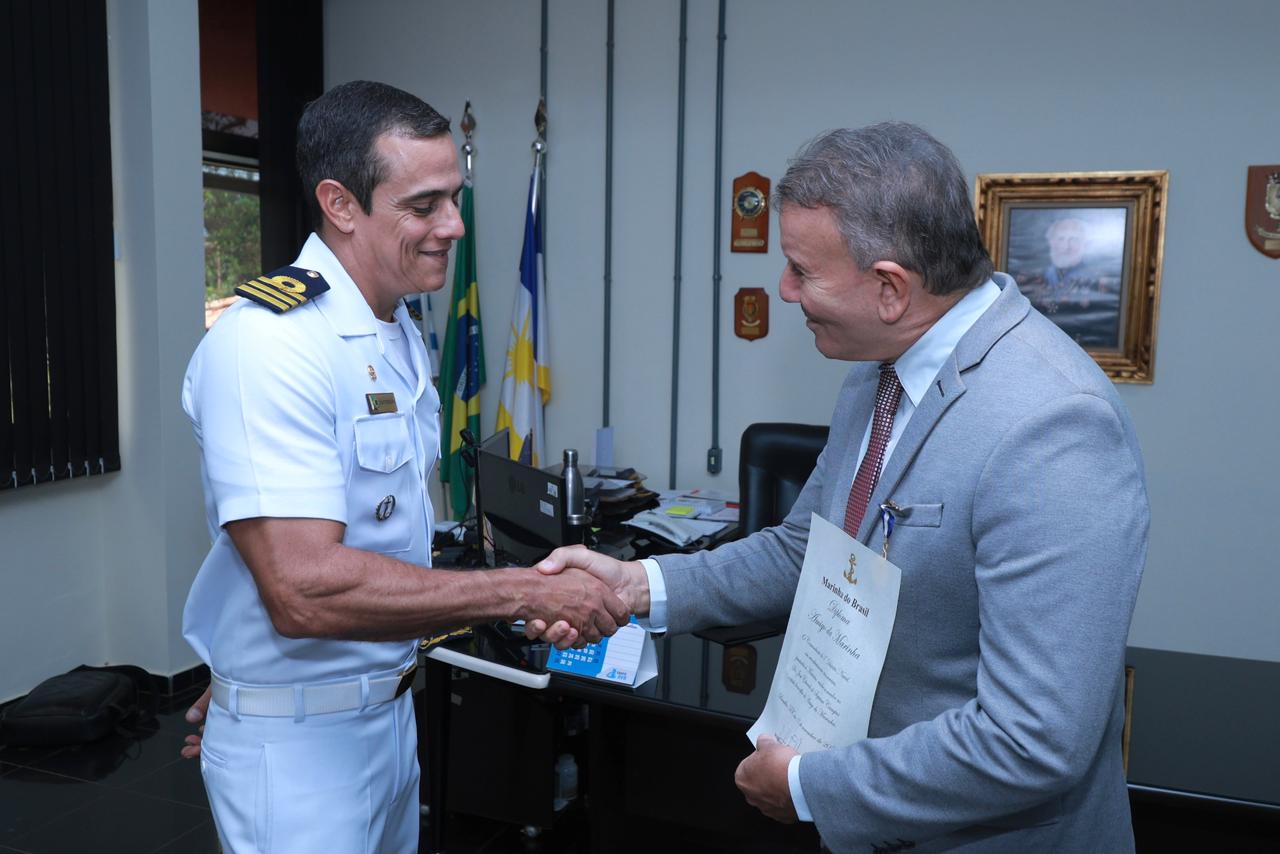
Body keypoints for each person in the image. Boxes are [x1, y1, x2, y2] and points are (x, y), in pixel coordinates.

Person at [530, 122, 1148, 852]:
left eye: (801, 271)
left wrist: (808, 787)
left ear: (889, 287)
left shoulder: (1052, 426)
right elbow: (807, 553)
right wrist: (635, 586)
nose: (785, 291)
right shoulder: (879, 371)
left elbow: (1033, 739)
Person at [179, 80, 628, 854]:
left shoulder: (394, 333)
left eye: (454, 198)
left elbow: (383, 538)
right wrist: (517, 590)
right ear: (341, 204)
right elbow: (303, 591)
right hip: (302, 752)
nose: (453, 226)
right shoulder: (271, 345)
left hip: (385, 718)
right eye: (423, 207)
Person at [1016, 216, 1122, 348]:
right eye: (1061, 239)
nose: (1066, 247)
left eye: (1074, 240)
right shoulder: (1028, 279)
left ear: (1085, 244)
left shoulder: (1100, 283)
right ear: (1051, 242)